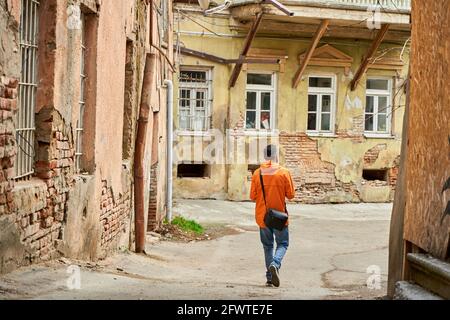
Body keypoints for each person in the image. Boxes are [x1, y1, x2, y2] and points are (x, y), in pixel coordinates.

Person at [250, 144, 295, 288]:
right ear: (276, 156)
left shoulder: (257, 173)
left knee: (267, 246)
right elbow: (291, 195)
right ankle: (275, 264)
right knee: (283, 244)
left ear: (265, 156)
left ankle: (270, 278)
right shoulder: (284, 172)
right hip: (279, 217)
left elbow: (252, 196)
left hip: (263, 216)